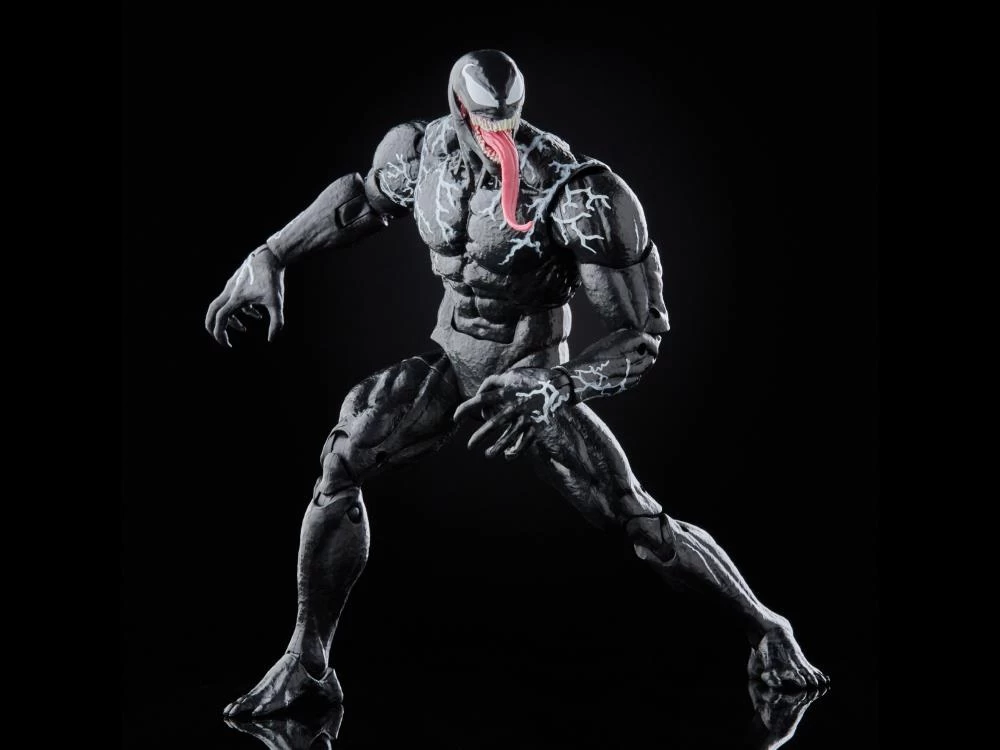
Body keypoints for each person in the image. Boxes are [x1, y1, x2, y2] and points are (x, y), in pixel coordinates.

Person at [205, 49, 828, 719]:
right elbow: (360, 199)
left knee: (637, 520)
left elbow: (642, 335)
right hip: (452, 361)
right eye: (483, 120)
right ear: (457, 107)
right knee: (344, 454)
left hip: (529, 378)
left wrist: (558, 384)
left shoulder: (578, 194)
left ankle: (769, 627)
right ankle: (309, 664)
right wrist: (272, 253)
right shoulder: (421, 152)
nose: (498, 135)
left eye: (509, 118)